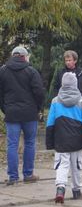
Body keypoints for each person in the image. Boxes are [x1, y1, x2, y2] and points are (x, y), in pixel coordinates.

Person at [0, 46, 45, 185]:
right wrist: (38, 108)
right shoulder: (31, 71)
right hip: (30, 113)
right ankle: (28, 174)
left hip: (12, 113)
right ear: (25, 57)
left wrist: (5, 108)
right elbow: (39, 92)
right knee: (30, 142)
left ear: (13, 55)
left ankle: (13, 177)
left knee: (12, 144)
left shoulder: (3, 71)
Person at [46, 72, 82, 203]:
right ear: (75, 84)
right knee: (77, 165)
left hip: (60, 140)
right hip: (77, 141)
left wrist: (50, 143)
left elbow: (50, 123)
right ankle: (77, 190)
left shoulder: (55, 101)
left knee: (62, 164)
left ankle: (60, 188)